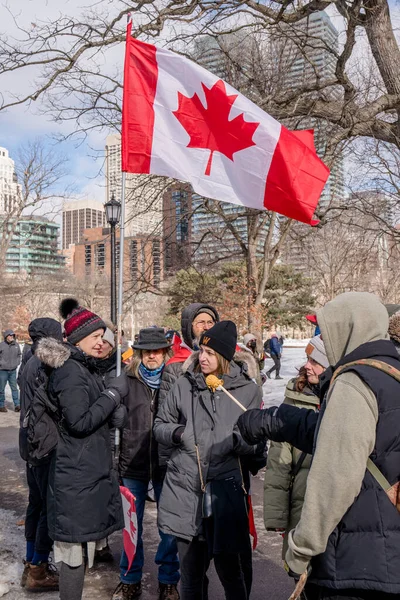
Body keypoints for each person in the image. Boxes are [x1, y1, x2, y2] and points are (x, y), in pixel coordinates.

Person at [237, 292, 400, 600]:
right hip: (386, 555)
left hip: (353, 561)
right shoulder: (391, 375)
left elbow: (336, 478)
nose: (325, 339)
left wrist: (301, 548)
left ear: (349, 329)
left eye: (328, 331)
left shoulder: (354, 382)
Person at [154, 320, 265, 600]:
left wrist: (241, 442)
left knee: (231, 571)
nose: (202, 358)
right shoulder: (183, 384)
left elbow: (256, 439)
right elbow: (160, 426)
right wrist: (180, 433)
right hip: (186, 487)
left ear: (225, 357)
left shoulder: (248, 391)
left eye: (210, 353)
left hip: (225, 491)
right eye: (201, 351)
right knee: (190, 574)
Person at [35, 298, 127, 600]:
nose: (101, 343)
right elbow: (80, 421)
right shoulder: (71, 371)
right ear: (77, 340)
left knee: (80, 549)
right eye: (95, 337)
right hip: (75, 475)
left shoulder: (81, 367)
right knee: (73, 553)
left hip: (84, 470)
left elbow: (91, 414)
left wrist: (113, 412)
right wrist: (112, 394)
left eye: (103, 337)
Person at [112, 327, 180, 600]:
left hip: (167, 464)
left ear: (165, 352)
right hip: (133, 463)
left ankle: (168, 580)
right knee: (131, 527)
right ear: (139, 353)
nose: (152, 356)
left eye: (157, 350)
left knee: (169, 528)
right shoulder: (126, 381)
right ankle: (129, 578)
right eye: (147, 351)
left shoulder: (176, 381)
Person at [263, 335, 328, 570]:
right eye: (307, 359)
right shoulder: (294, 396)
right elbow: (279, 460)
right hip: (300, 509)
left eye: (315, 360)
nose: (306, 366)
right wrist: (277, 517)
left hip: (333, 512)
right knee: (300, 574)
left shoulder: (346, 398)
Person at [19, 318, 63, 593]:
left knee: (35, 503)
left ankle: (31, 560)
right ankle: (39, 567)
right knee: (47, 506)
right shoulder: (44, 364)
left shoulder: (29, 360)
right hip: (43, 443)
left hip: (30, 443)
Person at [158, 303, 219, 468]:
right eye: (200, 322)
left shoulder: (227, 364)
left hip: (221, 453)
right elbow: (165, 418)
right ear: (188, 327)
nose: (206, 327)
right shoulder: (176, 367)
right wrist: (166, 461)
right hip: (187, 456)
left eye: (210, 322)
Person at [0, 328, 21, 412]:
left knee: (14, 388)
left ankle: (17, 405)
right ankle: (1, 406)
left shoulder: (16, 345)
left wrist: (17, 363)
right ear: (6, 336)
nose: (12, 336)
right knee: (1, 389)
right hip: (2, 371)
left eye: (12, 335)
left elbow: (19, 355)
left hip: (13, 371)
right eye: (10, 335)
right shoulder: (1, 345)